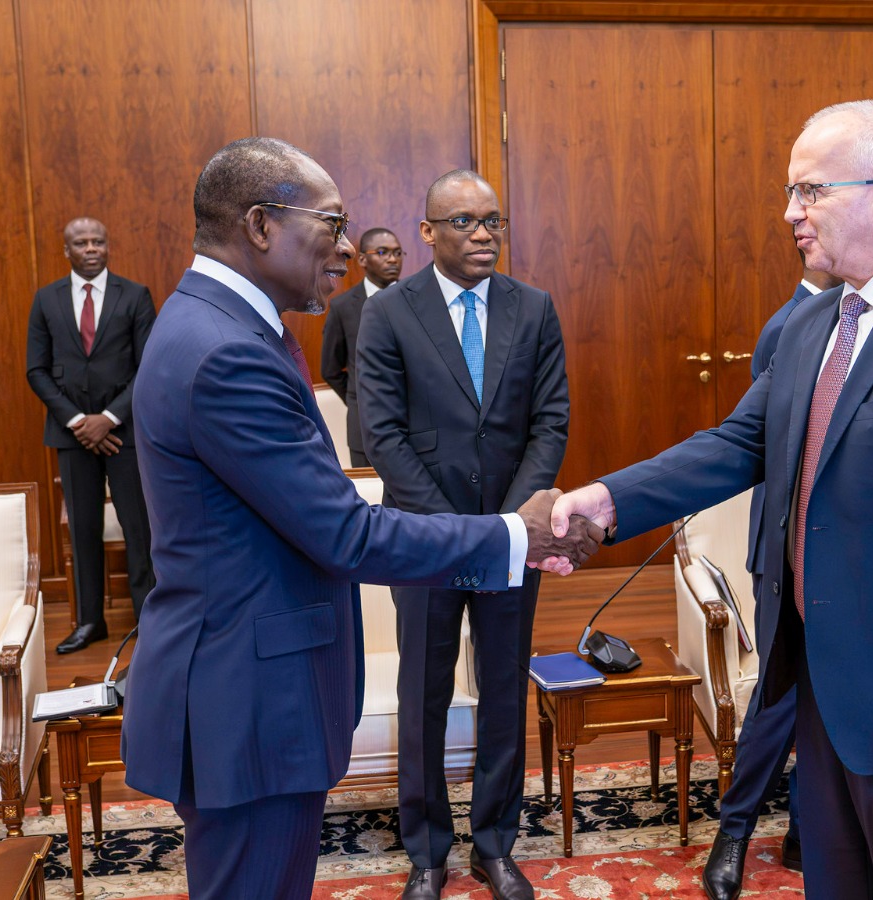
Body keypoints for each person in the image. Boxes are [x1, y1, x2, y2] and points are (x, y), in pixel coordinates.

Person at [549, 100, 873, 899]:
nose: (790, 212)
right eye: (792, 192)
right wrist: (608, 499)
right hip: (818, 687)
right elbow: (737, 443)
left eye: (810, 191)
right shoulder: (813, 323)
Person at [119, 137, 603, 900]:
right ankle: (429, 848)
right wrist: (519, 532)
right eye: (333, 223)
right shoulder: (223, 352)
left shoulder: (217, 326)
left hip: (247, 690)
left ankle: (491, 841)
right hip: (249, 700)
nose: (349, 247)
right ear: (260, 225)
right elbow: (345, 531)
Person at [357, 169, 569, 900]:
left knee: (504, 687)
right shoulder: (390, 312)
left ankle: (495, 844)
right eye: (464, 222)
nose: (484, 234)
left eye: (493, 221)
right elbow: (382, 434)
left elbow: (550, 423)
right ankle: (426, 851)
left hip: (514, 536)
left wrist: (507, 526)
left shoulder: (533, 308)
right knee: (424, 690)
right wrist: (455, 531)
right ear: (427, 232)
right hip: (423, 537)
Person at [702, 259, 842, 900]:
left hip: (841, 553)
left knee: (829, 697)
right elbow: (757, 445)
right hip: (784, 551)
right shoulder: (788, 326)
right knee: (780, 694)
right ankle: (733, 831)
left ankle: (806, 832)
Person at [25, 217, 157, 654]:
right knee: (83, 529)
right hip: (72, 435)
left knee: (139, 528)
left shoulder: (135, 295)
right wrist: (81, 422)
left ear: (108, 246)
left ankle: (148, 620)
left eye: (98, 241)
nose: (91, 248)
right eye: (81, 243)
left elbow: (149, 366)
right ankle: (89, 622)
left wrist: (109, 417)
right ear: (67, 251)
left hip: (125, 433)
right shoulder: (45, 300)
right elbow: (36, 370)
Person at [321, 227, 405, 466]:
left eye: (398, 253)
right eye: (383, 252)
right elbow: (330, 370)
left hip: (417, 428)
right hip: (364, 429)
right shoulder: (343, 307)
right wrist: (360, 398)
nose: (392, 259)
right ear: (362, 260)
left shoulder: (418, 300)